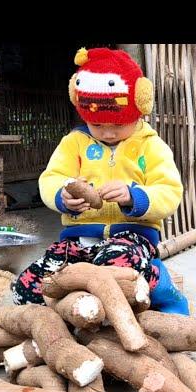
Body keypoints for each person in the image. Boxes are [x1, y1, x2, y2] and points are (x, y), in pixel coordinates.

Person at [12, 47, 189, 315]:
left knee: (112, 271)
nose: (107, 132)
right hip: (78, 240)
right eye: (97, 125)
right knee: (26, 289)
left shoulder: (151, 147)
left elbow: (170, 191)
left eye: (117, 126)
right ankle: (80, 314)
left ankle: (159, 281)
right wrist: (63, 197)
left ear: (138, 110)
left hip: (133, 237)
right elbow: (51, 179)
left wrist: (134, 197)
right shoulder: (74, 143)